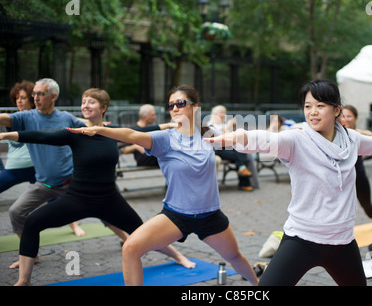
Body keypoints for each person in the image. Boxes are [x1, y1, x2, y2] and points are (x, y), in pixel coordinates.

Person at [204, 79, 372, 286]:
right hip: (302, 239)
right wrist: (239, 136)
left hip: (342, 241)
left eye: (320, 106)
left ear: (336, 109)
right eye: (308, 106)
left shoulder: (350, 139)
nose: (313, 112)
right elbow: (267, 140)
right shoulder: (296, 140)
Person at [68, 85, 259, 286]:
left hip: (210, 215)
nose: (174, 108)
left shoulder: (207, 133)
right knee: (130, 248)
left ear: (195, 107)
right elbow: (132, 135)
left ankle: (257, 285)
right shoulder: (165, 139)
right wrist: (99, 130)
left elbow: (235, 142)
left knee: (235, 257)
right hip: (176, 215)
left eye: (180, 103)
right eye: (170, 105)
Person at [0, 88, 194, 286]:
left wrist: (171, 124)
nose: (85, 105)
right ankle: (23, 281)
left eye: (91, 102)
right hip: (77, 198)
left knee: (142, 231)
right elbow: (40, 136)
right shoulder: (75, 133)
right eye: (83, 102)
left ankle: (178, 256)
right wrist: (4, 136)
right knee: (32, 222)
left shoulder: (113, 132)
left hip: (109, 200)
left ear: (104, 108)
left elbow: (144, 130)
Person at [0, 78, 87, 268]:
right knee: (16, 212)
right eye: (34, 94)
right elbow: (6, 118)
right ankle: (31, 255)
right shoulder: (27, 117)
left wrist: (100, 124)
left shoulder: (65, 117)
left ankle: (126, 238)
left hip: (71, 183)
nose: (36, 98)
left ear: (53, 96)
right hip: (44, 185)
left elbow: (86, 128)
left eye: (40, 94)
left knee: (103, 206)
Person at [339, 105, 372, 231]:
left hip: (358, 173)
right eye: (343, 116)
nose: (346, 119)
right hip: (340, 175)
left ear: (356, 118)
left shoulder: (359, 134)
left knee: (366, 202)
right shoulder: (336, 133)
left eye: (349, 116)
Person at [0, 81, 36, 194]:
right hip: (14, 168)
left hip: (36, 169)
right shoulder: (12, 118)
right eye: (17, 98)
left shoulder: (39, 117)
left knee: (55, 196)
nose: (19, 101)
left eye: (23, 98)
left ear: (31, 99)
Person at [208, 105, 253, 191]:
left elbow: (231, 139)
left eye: (224, 112)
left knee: (241, 150)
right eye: (221, 112)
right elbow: (217, 140)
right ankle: (244, 182)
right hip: (217, 150)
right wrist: (228, 127)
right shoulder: (210, 125)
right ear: (215, 114)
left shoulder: (224, 125)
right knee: (241, 155)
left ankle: (242, 168)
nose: (224, 114)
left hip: (228, 148)